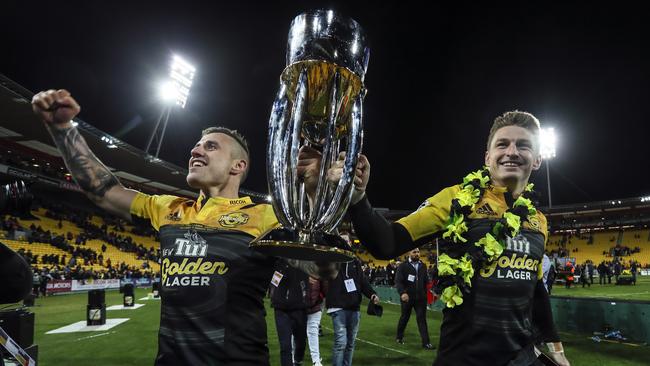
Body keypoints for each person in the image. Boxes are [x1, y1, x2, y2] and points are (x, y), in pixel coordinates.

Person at [32, 89, 334, 365]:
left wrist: (313, 195)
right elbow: (104, 190)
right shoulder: (167, 208)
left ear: (237, 167)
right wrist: (62, 129)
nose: (195, 151)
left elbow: (322, 270)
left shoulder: (266, 215)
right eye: (196, 145)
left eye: (210, 146)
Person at [318, 110, 570, 366]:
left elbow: (536, 291)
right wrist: (359, 200)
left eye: (523, 145)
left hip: (521, 359)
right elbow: (388, 243)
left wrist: (557, 349)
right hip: (463, 358)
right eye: (502, 144)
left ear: (537, 159)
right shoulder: (457, 200)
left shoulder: (538, 220)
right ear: (487, 157)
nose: (512, 152)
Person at [324, 258, 379, 366]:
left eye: (347, 241)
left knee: (350, 344)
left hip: (354, 307)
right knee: (341, 343)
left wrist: (372, 294)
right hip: (338, 306)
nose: (346, 243)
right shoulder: (332, 259)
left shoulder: (355, 263)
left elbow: (363, 281)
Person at [270, 260, 310, 366]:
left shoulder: (303, 264)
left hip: (299, 308)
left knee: (301, 342)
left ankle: (298, 361)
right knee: (285, 346)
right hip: (281, 309)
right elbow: (274, 283)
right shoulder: (278, 264)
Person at [394, 248, 434, 349]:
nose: (417, 254)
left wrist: (428, 295)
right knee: (405, 317)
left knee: (422, 320)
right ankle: (399, 337)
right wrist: (402, 293)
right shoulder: (403, 266)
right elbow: (398, 281)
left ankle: (426, 343)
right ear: (409, 253)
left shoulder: (423, 266)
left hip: (421, 298)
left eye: (418, 252)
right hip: (407, 297)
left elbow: (426, 282)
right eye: (414, 252)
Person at [306, 276, 325, 366]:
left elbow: (325, 287)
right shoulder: (297, 264)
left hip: (315, 305)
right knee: (296, 332)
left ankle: (316, 360)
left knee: (313, 331)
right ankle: (294, 358)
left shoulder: (319, 267)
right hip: (297, 305)